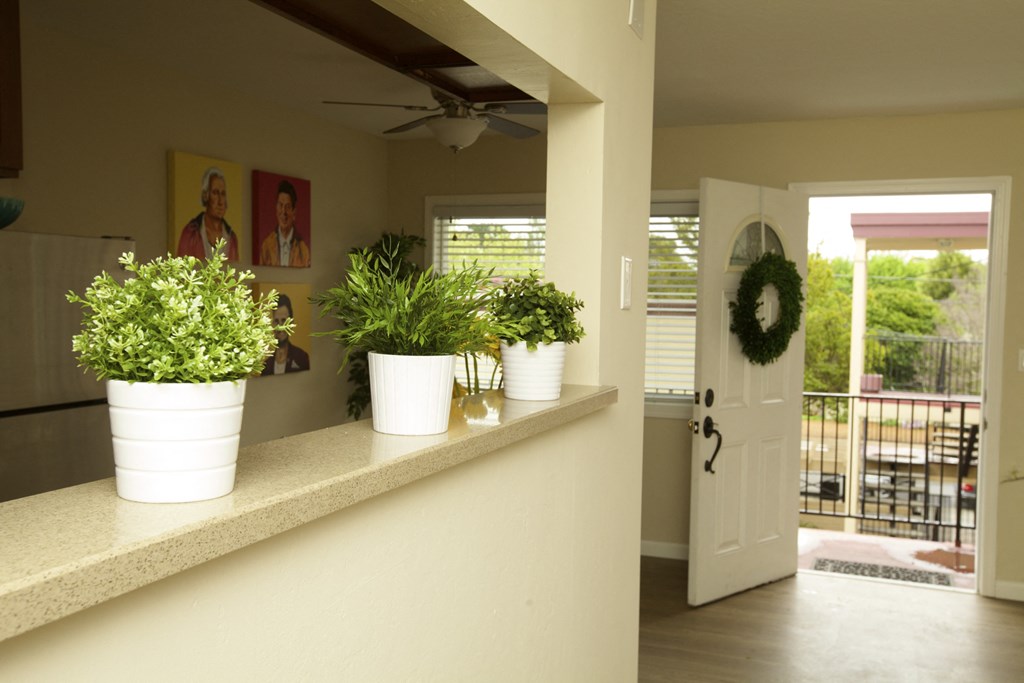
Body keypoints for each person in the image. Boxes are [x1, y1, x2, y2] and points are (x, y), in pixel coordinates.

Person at [176, 166, 239, 261]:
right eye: (215, 193)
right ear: (205, 196)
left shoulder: (231, 238)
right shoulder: (191, 233)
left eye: (223, 194)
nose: (220, 202)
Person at [259, 179, 311, 267]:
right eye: (280, 205)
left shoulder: (303, 250)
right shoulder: (266, 246)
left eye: (288, 207)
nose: (283, 212)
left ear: (294, 212)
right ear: (276, 208)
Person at [262, 293, 310, 376]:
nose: (280, 327)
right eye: (277, 321)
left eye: (284, 320)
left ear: (291, 323)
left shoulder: (301, 358)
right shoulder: (266, 365)